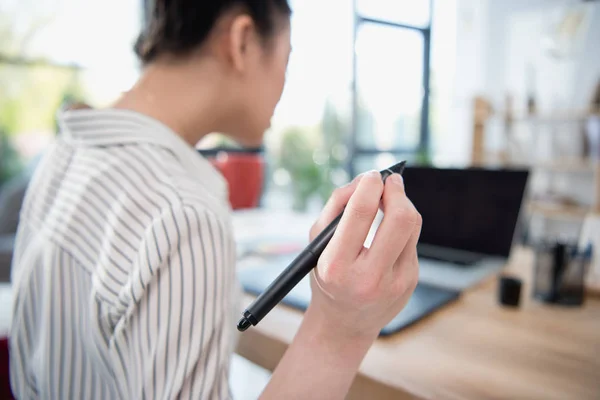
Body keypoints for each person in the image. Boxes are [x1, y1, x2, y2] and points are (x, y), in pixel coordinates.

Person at [9, 0, 422, 399]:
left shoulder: (66, 150)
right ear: (242, 41)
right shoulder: (181, 211)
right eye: (287, 57)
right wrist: (341, 328)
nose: (285, 82)